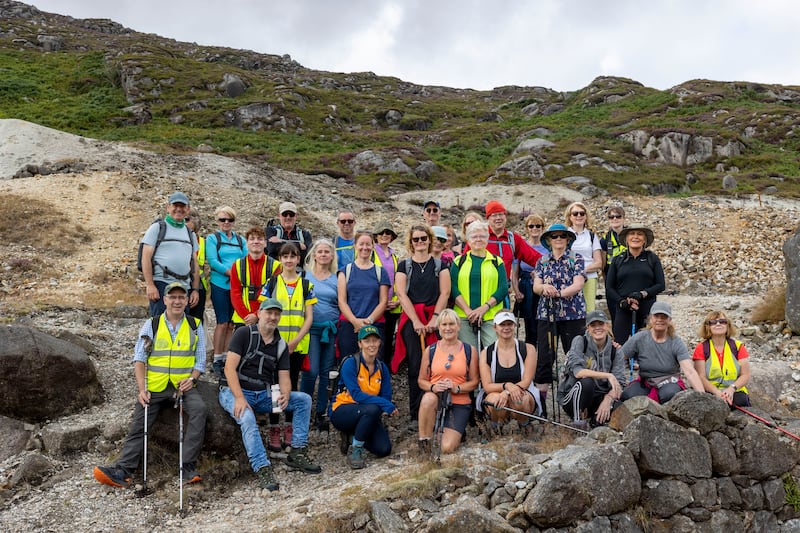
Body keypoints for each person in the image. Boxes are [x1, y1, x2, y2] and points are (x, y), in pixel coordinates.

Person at [94, 282, 207, 488]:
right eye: (172, 297)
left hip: (183, 386)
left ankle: (187, 467)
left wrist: (192, 379)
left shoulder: (195, 325)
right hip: (155, 387)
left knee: (200, 410)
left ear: (187, 300)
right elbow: (139, 359)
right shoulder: (152, 324)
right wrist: (141, 389)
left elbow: (200, 361)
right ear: (164, 300)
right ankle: (124, 470)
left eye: (181, 297)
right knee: (139, 422)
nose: (177, 301)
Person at [218, 298, 321, 492]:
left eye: (276, 314)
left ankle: (297, 452)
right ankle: (262, 467)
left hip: (262, 395)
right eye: (269, 313)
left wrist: (286, 393)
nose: (272, 317)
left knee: (303, 401)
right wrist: (239, 398)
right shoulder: (243, 334)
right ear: (259, 313)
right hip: (233, 391)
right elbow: (229, 369)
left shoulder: (281, 344)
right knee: (247, 418)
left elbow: (284, 375)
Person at [259, 243, 316, 451]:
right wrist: (276, 341)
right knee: (274, 385)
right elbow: (264, 313)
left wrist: (295, 341)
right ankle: (275, 427)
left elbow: (308, 317)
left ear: (298, 259)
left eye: (293, 256)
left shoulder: (306, 285)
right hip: (275, 345)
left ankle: (290, 426)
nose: (289, 260)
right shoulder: (272, 282)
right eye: (285, 257)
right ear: (280, 259)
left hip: (297, 345)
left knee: (292, 385)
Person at [393, 225, 451, 422]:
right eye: (416, 239)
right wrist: (416, 321)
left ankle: (440, 407)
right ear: (411, 242)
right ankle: (417, 412)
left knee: (439, 364)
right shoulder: (404, 266)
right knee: (416, 365)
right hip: (413, 320)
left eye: (423, 238)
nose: (420, 242)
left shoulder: (439, 265)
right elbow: (401, 294)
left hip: (435, 318)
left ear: (429, 240)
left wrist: (435, 317)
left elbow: (445, 292)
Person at [532, 223, 586, 416]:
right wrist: (544, 289)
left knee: (575, 355)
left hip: (572, 315)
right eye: (554, 237)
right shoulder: (542, 261)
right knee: (545, 357)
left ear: (568, 239)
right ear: (548, 240)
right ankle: (541, 406)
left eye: (562, 236)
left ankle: (578, 402)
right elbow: (536, 285)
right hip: (547, 315)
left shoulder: (576, 259)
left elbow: (578, 284)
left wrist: (559, 294)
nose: (558, 239)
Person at [330, 325, 398, 469]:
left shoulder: (381, 367)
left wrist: (384, 404)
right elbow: (356, 395)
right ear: (360, 344)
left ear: (380, 343)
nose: (371, 345)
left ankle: (352, 437)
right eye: (367, 341)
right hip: (343, 410)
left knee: (384, 449)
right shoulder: (350, 363)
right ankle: (356, 450)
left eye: (375, 341)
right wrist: (385, 405)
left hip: (368, 412)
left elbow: (386, 396)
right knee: (373, 409)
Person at [417, 309, 479, 455]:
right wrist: (433, 387)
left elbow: (475, 382)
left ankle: (450, 432)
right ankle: (424, 441)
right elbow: (421, 380)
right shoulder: (430, 350)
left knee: (446, 448)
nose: (448, 328)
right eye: (444, 324)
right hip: (436, 400)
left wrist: (456, 388)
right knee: (428, 398)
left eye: (451, 324)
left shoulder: (470, 350)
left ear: (459, 326)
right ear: (439, 327)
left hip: (459, 403)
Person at [621, 301, 704, 404]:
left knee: (669, 395)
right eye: (656, 316)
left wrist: (702, 396)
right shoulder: (639, 338)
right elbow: (619, 358)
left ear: (669, 320)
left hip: (669, 381)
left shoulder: (676, 342)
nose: (660, 320)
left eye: (664, 317)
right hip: (646, 381)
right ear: (651, 318)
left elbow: (689, 371)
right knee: (627, 396)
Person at [225, 226, 281, 375]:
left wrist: (257, 315)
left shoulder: (276, 266)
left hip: (266, 317)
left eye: (260, 239)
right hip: (242, 318)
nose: (256, 242)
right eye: (252, 239)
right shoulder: (237, 265)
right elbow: (235, 293)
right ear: (247, 243)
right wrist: (247, 315)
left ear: (265, 243)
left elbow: (273, 294)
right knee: (240, 354)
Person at [557, 310, 626, 428]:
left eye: (601, 324)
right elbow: (578, 372)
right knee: (587, 382)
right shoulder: (580, 341)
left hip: (599, 396)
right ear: (588, 328)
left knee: (619, 406)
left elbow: (619, 383)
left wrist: (608, 399)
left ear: (607, 325)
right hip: (573, 396)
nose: (597, 328)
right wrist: (608, 375)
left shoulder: (616, 350)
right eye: (593, 325)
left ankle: (596, 421)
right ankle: (578, 423)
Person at [300, 239, 340, 433]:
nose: (323, 254)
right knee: (311, 370)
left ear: (332, 256)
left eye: (327, 252)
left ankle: (320, 414)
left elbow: (342, 303)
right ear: (314, 255)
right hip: (311, 329)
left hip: (330, 330)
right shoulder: (304, 277)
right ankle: (304, 411)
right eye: (320, 251)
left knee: (326, 373)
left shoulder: (337, 278)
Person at [140, 191, 200, 317]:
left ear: (188, 209)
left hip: (185, 286)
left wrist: (195, 290)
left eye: (182, 206)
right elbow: (146, 257)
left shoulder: (190, 233)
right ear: (168, 207)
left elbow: (194, 263)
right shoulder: (157, 228)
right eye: (175, 205)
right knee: (160, 325)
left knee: (182, 326)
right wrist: (150, 285)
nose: (178, 209)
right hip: (162, 283)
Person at [463, 201, 542, 296]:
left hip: (502, 292)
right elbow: (463, 262)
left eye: (501, 214)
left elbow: (534, 257)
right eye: (494, 215)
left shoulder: (513, 239)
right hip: (478, 290)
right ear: (488, 218)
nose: (498, 218)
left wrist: (551, 264)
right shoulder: (479, 238)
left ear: (505, 217)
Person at [450, 220, 508, 349]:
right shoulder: (459, 261)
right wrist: (468, 311)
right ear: (468, 240)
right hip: (464, 316)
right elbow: (452, 287)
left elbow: (503, 288)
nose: (478, 239)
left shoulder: (496, 261)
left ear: (487, 239)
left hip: (491, 315)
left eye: (482, 236)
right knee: (470, 355)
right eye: (474, 236)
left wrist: (484, 308)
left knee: (493, 352)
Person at [477, 310, 539, 431]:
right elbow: (487, 386)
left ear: (515, 326)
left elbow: (526, 381)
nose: (506, 328)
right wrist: (507, 386)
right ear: (495, 327)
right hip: (495, 393)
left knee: (520, 400)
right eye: (502, 324)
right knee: (495, 400)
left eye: (509, 324)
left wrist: (507, 392)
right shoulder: (486, 353)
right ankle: (496, 427)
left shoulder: (528, 348)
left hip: (523, 391)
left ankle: (525, 425)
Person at [605, 223, 665, 344]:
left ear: (645, 240)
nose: (635, 237)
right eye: (632, 234)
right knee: (620, 345)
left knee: (647, 345)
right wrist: (622, 302)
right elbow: (609, 287)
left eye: (640, 234)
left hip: (647, 308)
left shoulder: (652, 258)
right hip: (623, 307)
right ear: (626, 239)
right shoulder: (617, 259)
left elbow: (660, 285)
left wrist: (643, 294)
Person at [206, 206, 247, 372]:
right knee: (222, 322)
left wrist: (239, 275)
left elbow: (246, 257)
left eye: (230, 220)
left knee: (231, 323)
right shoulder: (212, 238)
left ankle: (226, 356)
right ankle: (217, 358)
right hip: (220, 284)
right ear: (217, 221)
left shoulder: (240, 239)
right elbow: (212, 260)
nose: (226, 223)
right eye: (223, 219)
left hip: (236, 286)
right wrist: (230, 272)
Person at [337, 231, 390, 359]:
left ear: (373, 246)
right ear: (355, 246)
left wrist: (369, 321)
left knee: (374, 365)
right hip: (349, 326)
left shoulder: (380, 272)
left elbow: (383, 301)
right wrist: (355, 322)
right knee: (349, 363)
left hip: (374, 325)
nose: (364, 247)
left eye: (368, 244)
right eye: (361, 244)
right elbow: (342, 301)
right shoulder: (345, 271)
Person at [692, 311, 751, 408]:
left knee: (741, 400)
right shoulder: (701, 348)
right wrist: (717, 393)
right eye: (713, 322)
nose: (718, 324)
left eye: (722, 321)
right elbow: (700, 377)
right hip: (711, 392)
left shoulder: (737, 346)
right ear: (708, 327)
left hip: (734, 391)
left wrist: (731, 389)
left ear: (728, 325)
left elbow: (745, 374)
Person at [512, 214, 548, 346]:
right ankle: (530, 350)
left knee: (543, 322)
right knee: (529, 322)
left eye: (538, 226)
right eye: (531, 226)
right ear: (527, 228)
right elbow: (515, 273)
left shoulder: (547, 248)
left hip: (543, 286)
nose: (535, 228)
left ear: (542, 228)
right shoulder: (521, 246)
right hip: (526, 287)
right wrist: (516, 291)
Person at [372, 221, 401, 367]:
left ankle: (385, 370)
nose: (384, 235)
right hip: (375, 305)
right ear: (376, 236)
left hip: (392, 306)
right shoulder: (371, 253)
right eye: (381, 233)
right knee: (376, 340)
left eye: (388, 233)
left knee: (388, 339)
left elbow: (397, 279)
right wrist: (381, 302)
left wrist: (397, 300)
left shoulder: (394, 256)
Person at [564, 202, 602, 313]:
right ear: (570, 217)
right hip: (569, 278)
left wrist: (581, 271)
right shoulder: (564, 235)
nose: (579, 216)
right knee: (570, 309)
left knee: (589, 310)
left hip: (589, 277)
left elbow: (599, 262)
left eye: (582, 213)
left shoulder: (591, 236)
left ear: (586, 216)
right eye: (575, 213)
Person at [266, 201, 312, 265]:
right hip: (275, 271)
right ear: (279, 216)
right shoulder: (270, 231)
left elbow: (308, 254)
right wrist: (298, 245)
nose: (288, 217)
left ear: (296, 216)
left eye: (291, 214)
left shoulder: (305, 234)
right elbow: (271, 248)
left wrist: (280, 242)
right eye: (285, 214)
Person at [185, 208, 208, 324]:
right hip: (182, 282)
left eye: (187, 219)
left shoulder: (204, 242)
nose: (184, 223)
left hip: (199, 286)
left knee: (197, 320)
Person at [600, 206, 627, 276]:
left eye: (618, 216)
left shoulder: (632, 236)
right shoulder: (605, 239)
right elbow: (603, 264)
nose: (615, 219)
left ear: (624, 218)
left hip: (629, 271)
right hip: (612, 272)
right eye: (611, 217)